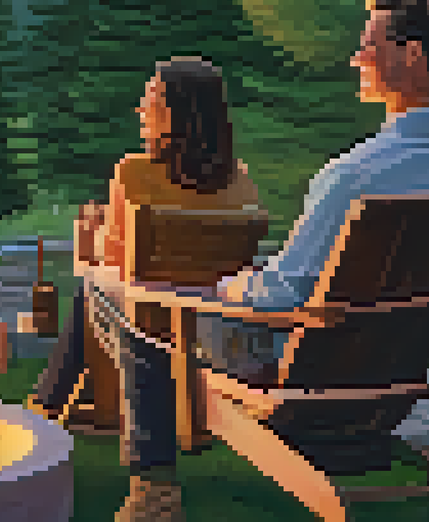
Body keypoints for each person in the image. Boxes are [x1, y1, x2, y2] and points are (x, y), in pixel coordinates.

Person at [81, 0, 429, 522]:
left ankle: (155, 490)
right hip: (400, 366)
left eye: (369, 44)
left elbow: (280, 298)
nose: (356, 57)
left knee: (135, 311)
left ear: (413, 55)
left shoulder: (353, 176)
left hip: (304, 373)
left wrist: (234, 283)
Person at [24, 56, 265, 521]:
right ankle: (45, 406)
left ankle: (44, 411)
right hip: (216, 334)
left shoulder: (133, 173)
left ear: (177, 114)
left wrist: (92, 230)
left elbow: (115, 262)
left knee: (94, 292)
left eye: (151, 98)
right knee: (124, 308)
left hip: (154, 328)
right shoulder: (240, 179)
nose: (140, 108)